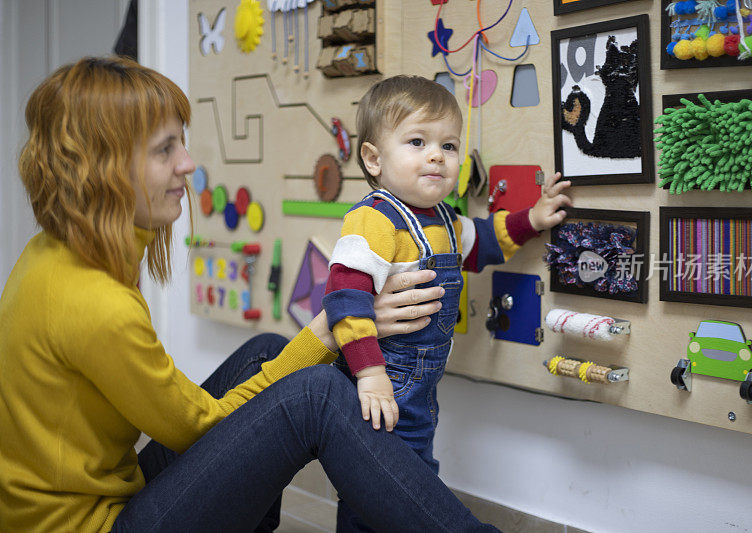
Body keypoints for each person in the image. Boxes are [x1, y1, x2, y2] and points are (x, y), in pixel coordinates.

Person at [0, 56, 501, 533]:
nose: (187, 163)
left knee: (268, 352)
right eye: (164, 149)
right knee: (314, 392)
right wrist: (330, 327)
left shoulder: (52, 252)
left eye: (182, 143)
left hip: (113, 491)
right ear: (103, 168)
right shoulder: (95, 302)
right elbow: (197, 428)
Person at [323, 75, 572, 531]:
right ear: (374, 159)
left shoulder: (443, 219)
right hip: (380, 390)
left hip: (418, 394)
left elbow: (483, 244)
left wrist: (533, 219)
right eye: (417, 142)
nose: (437, 155)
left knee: (399, 488)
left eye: (449, 145)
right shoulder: (372, 219)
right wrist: (371, 375)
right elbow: (345, 299)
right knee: (383, 493)